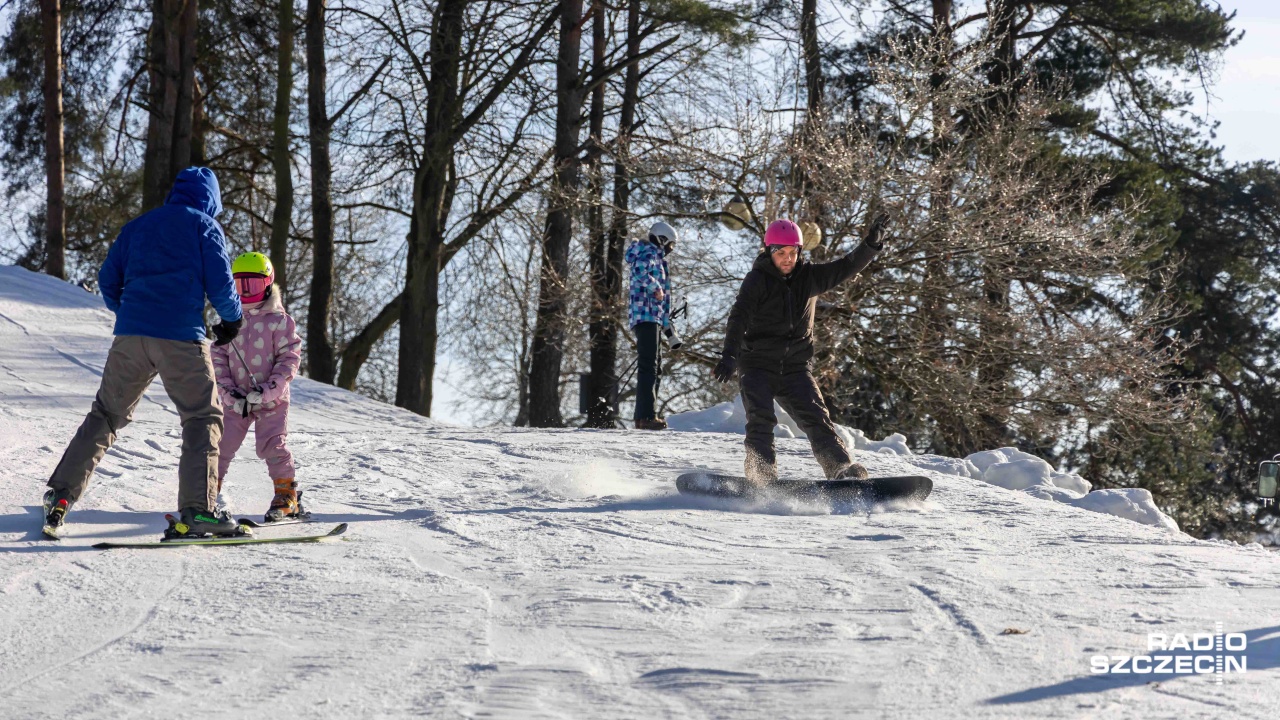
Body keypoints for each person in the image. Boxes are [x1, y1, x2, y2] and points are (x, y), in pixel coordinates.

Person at [43, 166, 244, 536]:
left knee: (106, 414)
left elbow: (108, 279)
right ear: (211, 200)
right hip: (181, 336)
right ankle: (199, 511)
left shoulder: (138, 226)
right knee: (202, 417)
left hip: (130, 337)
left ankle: (60, 495)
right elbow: (220, 281)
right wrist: (232, 320)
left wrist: (131, 312)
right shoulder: (204, 225)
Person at [714, 214, 888, 484]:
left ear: (799, 252)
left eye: (792, 252)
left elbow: (846, 267)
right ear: (769, 251)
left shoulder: (810, 278)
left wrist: (870, 245)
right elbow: (739, 317)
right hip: (757, 364)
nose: (787, 259)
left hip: (795, 368)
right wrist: (729, 355)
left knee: (818, 420)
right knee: (761, 420)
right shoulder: (756, 280)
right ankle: (761, 474)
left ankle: (840, 469)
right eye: (780, 252)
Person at [211, 252, 304, 521]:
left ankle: (286, 495)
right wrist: (229, 392)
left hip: (271, 399)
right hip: (237, 401)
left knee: (273, 445)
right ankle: (207, 494)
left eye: (253, 284)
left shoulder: (279, 321)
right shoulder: (230, 322)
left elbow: (289, 358)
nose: (247, 291)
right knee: (220, 445)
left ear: (268, 283)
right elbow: (217, 359)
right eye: (240, 285)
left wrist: (270, 389)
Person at [625, 221, 677, 430]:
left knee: (655, 366)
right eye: (670, 245)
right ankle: (645, 416)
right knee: (649, 365)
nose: (669, 250)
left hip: (653, 317)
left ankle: (646, 414)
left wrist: (668, 328)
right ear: (662, 240)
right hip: (644, 314)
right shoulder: (649, 252)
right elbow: (639, 272)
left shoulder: (656, 258)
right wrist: (656, 287)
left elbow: (663, 300)